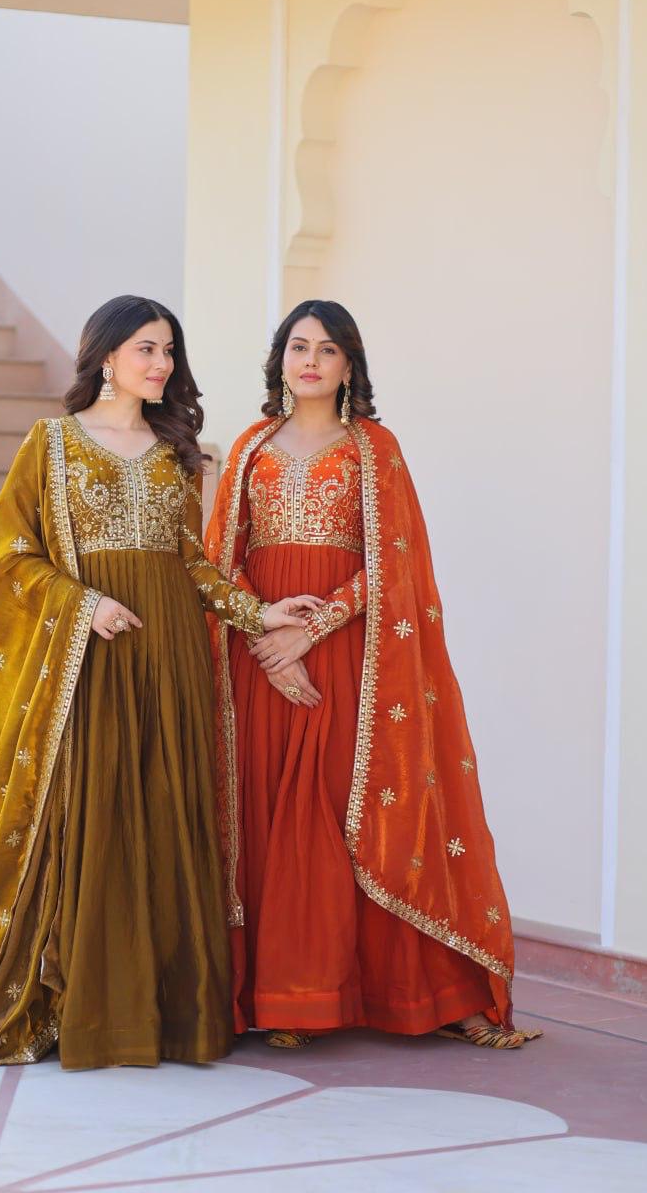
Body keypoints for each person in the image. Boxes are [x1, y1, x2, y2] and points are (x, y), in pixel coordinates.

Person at [0, 295, 317, 1071]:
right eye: (146, 349)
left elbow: (193, 563)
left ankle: (164, 1014)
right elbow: (9, 560)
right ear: (105, 356)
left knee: (163, 810)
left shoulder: (179, 449)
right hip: (90, 654)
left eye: (169, 351)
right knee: (96, 813)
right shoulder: (51, 444)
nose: (161, 365)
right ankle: (86, 1007)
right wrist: (83, 604)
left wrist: (257, 610)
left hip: (170, 652)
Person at [205, 299, 541, 1051]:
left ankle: (365, 990)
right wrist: (266, 631)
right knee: (265, 813)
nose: (311, 360)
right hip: (258, 651)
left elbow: (398, 563)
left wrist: (311, 629)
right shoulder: (249, 447)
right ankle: (280, 995)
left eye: (328, 349)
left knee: (334, 812)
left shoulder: (373, 448)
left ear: (350, 365)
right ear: (279, 361)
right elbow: (217, 560)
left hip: (348, 652)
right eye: (298, 346)